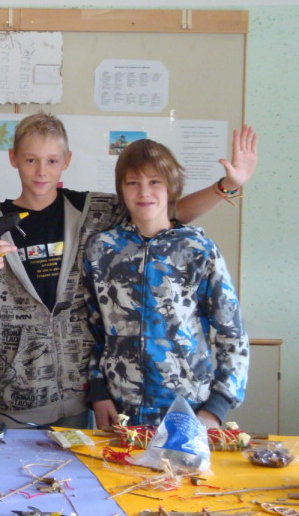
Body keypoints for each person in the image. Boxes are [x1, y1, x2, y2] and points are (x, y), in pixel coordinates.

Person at [0, 114, 257, 429]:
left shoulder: (96, 214)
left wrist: (226, 186)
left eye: (52, 160)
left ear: (66, 160)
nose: (42, 171)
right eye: (31, 160)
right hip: (10, 404)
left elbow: (165, 213)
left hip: (80, 404)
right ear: (13, 158)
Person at [85, 139, 249, 428]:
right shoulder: (102, 250)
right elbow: (92, 328)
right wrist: (98, 392)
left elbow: (232, 334)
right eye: (132, 183)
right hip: (120, 409)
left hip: (189, 409)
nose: (144, 192)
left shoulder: (198, 251)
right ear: (121, 189)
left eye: (154, 182)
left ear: (171, 187)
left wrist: (217, 408)